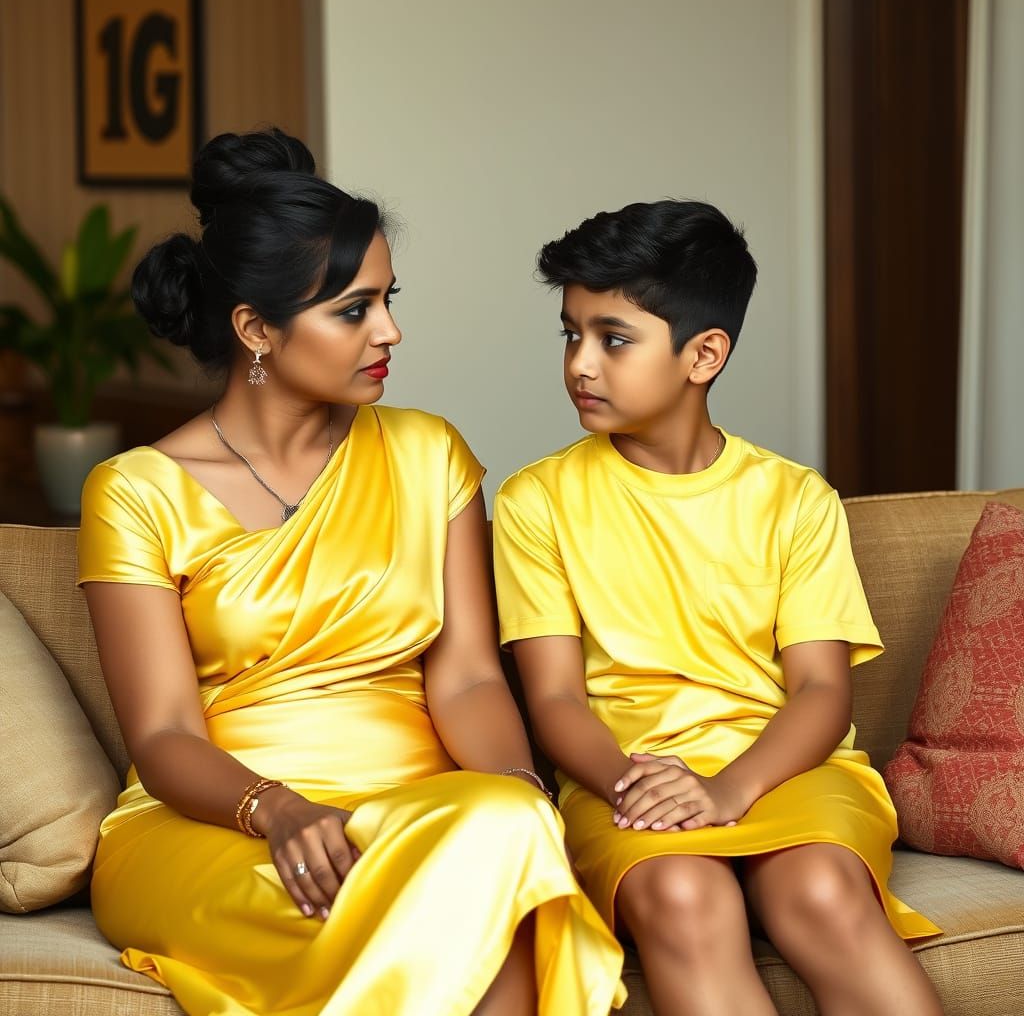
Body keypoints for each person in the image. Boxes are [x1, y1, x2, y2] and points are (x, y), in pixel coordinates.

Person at [77, 128, 625, 1016]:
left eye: (388, 300)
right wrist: (279, 810)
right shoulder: (136, 491)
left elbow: (470, 678)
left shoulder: (428, 453)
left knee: (501, 839)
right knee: (477, 906)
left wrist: (524, 798)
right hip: (221, 824)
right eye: (354, 310)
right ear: (256, 329)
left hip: (419, 814)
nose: (390, 331)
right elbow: (166, 733)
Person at [492, 200, 944, 1016]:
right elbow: (555, 699)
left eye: (613, 339)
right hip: (624, 779)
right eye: (570, 334)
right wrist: (637, 786)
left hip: (782, 770)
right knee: (683, 896)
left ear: (704, 354)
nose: (580, 364)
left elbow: (821, 692)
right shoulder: (537, 502)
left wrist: (728, 790)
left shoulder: (795, 499)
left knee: (821, 891)